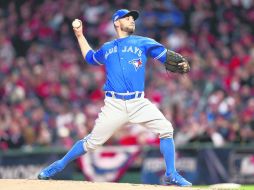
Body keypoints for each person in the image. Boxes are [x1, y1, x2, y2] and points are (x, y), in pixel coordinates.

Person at [37, 9, 192, 187]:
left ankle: (171, 174)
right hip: (114, 105)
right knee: (92, 143)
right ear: (117, 22)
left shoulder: (143, 42)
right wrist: (79, 35)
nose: (132, 20)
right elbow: (90, 58)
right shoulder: (107, 48)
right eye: (128, 18)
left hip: (138, 102)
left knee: (166, 129)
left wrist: (178, 61)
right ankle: (58, 166)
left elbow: (166, 56)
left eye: (133, 18)